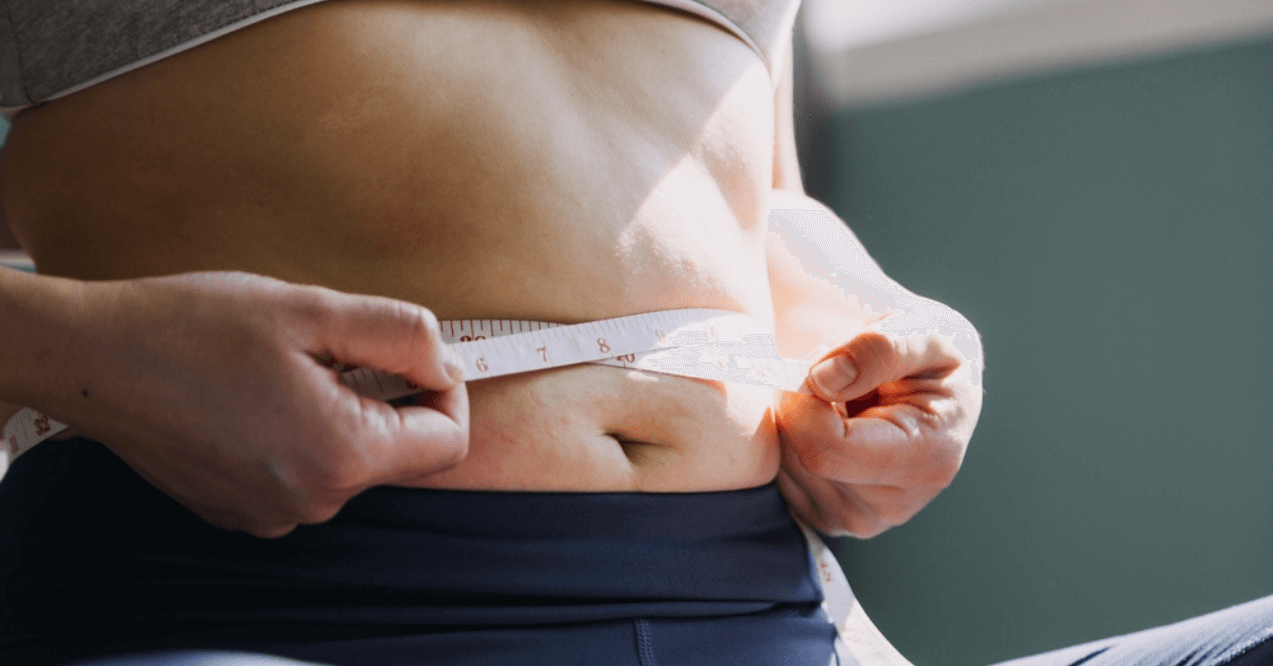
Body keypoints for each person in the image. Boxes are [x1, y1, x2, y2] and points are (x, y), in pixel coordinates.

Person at [0, 2, 1265, 665]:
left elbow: (749, 198)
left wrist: (885, 327)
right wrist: (82, 354)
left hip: (766, 613)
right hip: (275, 607)